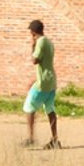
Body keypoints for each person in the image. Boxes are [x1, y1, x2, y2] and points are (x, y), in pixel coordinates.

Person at [24, 19, 59, 149]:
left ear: (33, 32)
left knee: (29, 107)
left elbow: (35, 60)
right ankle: (55, 139)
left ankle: (31, 138)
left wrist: (32, 45)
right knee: (50, 110)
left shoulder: (40, 42)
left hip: (43, 83)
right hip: (51, 81)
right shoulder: (49, 42)